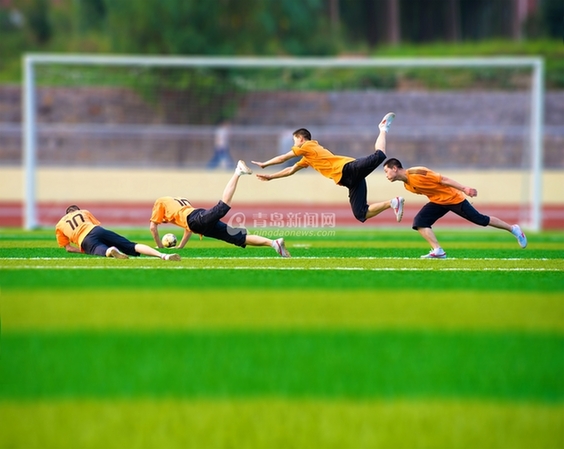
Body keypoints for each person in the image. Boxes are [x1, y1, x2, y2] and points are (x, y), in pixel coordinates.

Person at [251, 112, 404, 224]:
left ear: (301, 139)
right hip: (349, 180)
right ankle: (393, 203)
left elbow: (284, 157)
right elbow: (290, 170)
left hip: (347, 169)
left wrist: (265, 164)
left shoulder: (307, 145)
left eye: (294, 140)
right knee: (360, 213)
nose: (294, 144)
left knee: (380, 155)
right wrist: (271, 177)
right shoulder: (309, 157)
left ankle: (383, 128)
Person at [382, 158, 528, 258]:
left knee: (480, 220)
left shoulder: (417, 172)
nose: (386, 175)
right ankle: (438, 251)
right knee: (420, 221)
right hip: (438, 202)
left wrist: (464, 188)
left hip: (453, 199)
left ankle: (513, 229)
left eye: (386, 171)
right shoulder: (407, 186)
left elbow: (443, 180)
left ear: (394, 168)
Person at [149, 160, 291, 257]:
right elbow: (189, 228)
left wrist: (160, 248)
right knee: (239, 238)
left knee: (222, 208)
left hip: (196, 220)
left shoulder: (160, 202)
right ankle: (274, 243)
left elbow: (153, 228)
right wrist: (180, 246)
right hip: (198, 222)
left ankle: (238, 172)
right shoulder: (176, 201)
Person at [56, 205, 181, 260]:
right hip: (97, 230)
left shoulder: (59, 225)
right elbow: (96, 225)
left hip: (85, 240)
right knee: (132, 245)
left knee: (104, 251)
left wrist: (83, 249)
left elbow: (68, 248)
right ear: (76, 210)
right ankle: (163, 256)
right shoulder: (83, 212)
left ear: (66, 214)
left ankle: (110, 251)